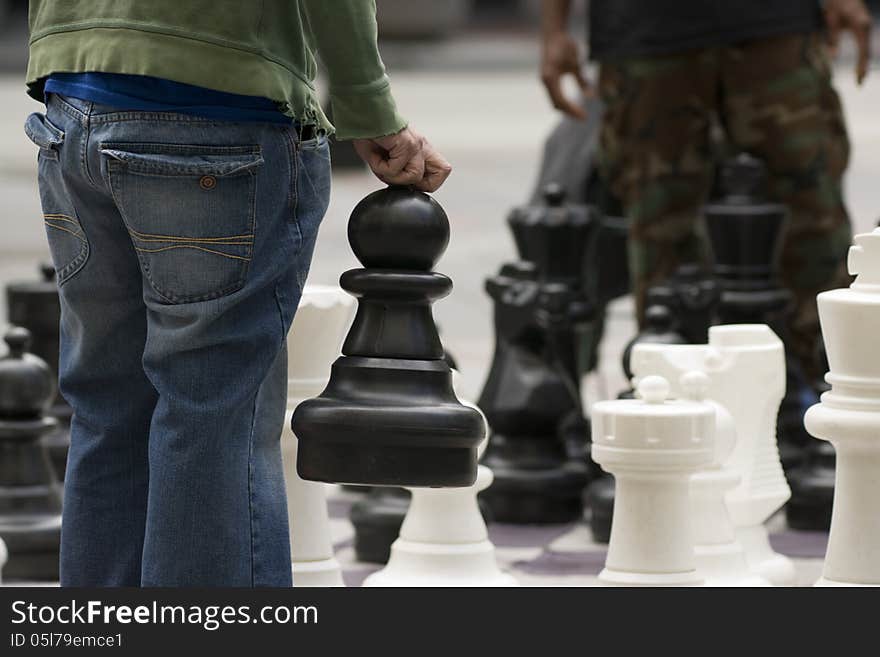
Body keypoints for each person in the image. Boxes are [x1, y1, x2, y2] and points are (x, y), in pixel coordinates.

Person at [24, 0, 451, 587]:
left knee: (105, 405)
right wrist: (369, 105)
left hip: (71, 102)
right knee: (208, 410)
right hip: (218, 103)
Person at [540, 0, 872, 382]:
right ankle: (675, 401)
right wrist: (554, 31)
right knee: (663, 236)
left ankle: (831, 395)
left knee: (812, 222)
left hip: (774, 26)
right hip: (647, 36)